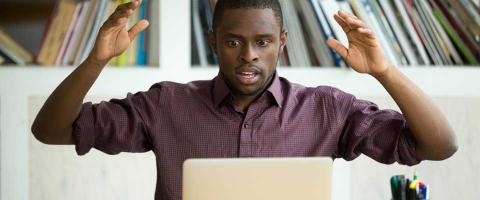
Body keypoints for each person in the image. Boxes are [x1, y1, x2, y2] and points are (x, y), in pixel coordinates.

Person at [31, 0, 457, 199]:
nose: (249, 55)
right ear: (214, 41)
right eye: (234, 41)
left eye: (263, 42)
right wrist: (96, 60)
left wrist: (384, 71)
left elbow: (439, 146)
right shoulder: (166, 106)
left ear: (282, 44)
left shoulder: (327, 109)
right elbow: (50, 130)